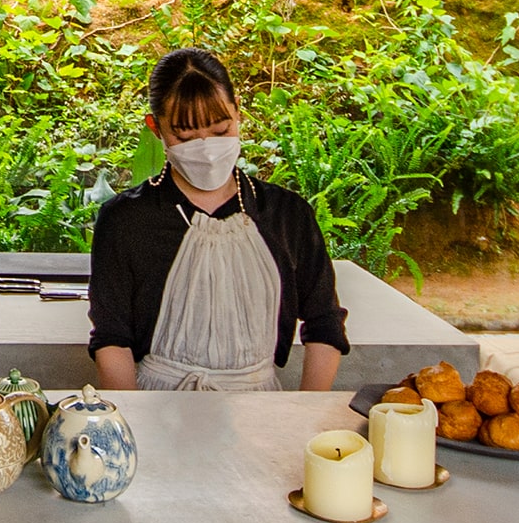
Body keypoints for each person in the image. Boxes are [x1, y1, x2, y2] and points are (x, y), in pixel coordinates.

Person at [88, 48, 347, 391]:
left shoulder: (287, 215)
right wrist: (132, 425)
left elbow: (324, 324)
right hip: (158, 406)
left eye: (220, 129)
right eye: (185, 136)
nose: (206, 148)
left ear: (238, 113)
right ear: (156, 127)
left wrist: (306, 417)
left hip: (261, 410)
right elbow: (112, 338)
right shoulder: (125, 220)